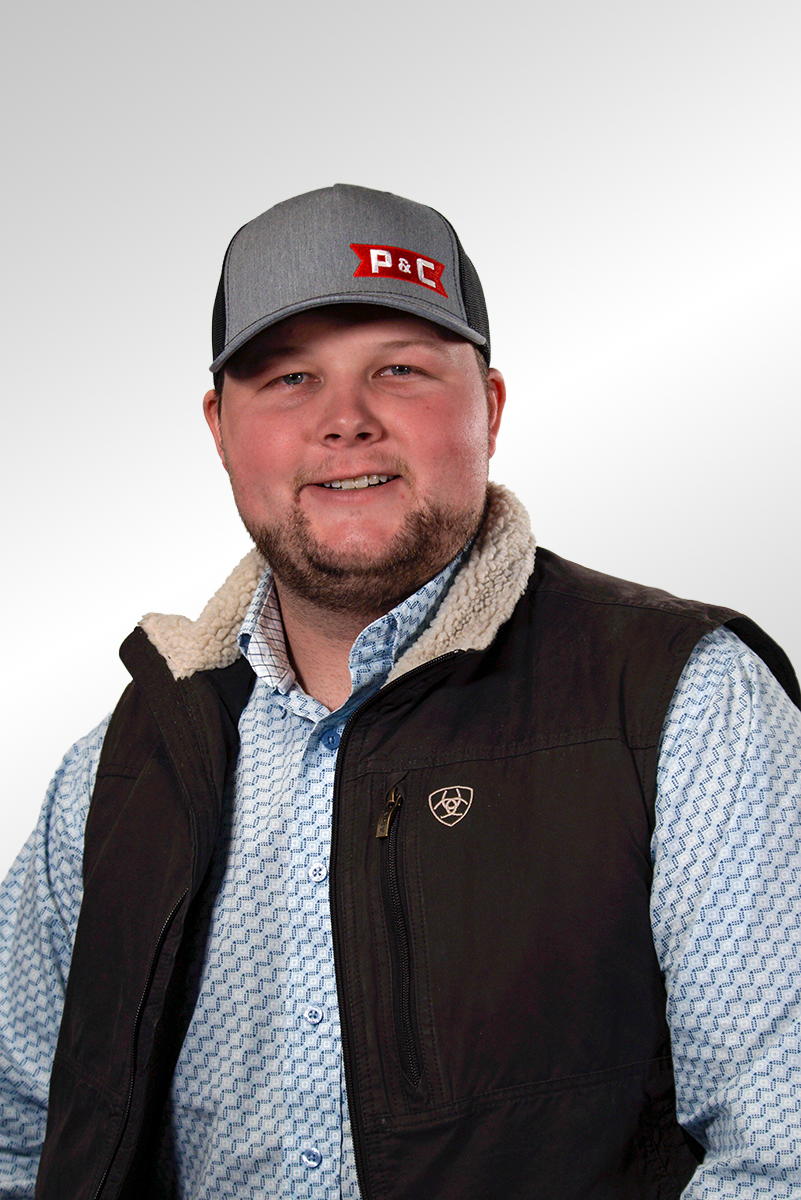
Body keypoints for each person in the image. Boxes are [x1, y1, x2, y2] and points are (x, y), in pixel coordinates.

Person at [1, 184, 800, 1200]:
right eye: (289, 377)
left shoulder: (684, 706)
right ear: (218, 427)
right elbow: (18, 1138)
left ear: (491, 407)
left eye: (401, 370)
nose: (345, 421)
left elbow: (784, 1154)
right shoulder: (121, 771)